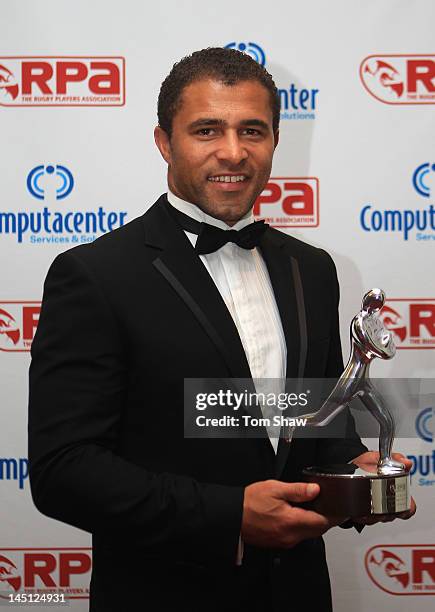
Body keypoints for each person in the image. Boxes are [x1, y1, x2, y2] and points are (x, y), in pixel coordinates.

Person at [28, 48, 415, 612]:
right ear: (164, 142)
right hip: (163, 595)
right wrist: (229, 516)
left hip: (296, 594)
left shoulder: (312, 270)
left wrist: (354, 470)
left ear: (276, 141)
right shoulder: (94, 276)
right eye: (207, 129)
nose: (233, 152)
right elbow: (64, 471)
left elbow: (312, 423)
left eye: (252, 130)